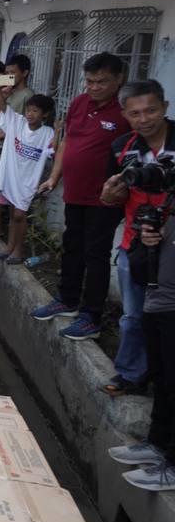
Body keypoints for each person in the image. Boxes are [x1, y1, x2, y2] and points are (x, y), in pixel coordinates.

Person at [30, 53, 130, 340]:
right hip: (75, 192)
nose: (95, 87)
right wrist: (54, 177)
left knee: (95, 254)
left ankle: (91, 316)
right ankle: (67, 299)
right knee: (72, 245)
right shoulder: (78, 103)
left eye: (102, 82)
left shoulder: (125, 110)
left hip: (105, 199)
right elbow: (68, 143)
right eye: (90, 81)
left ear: (119, 79)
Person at [99, 79, 175, 395]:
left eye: (151, 110)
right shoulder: (122, 147)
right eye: (135, 113)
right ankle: (131, 374)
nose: (144, 119)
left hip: (171, 249)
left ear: (165, 108)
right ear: (126, 115)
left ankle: (163, 381)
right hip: (135, 244)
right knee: (133, 317)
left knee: (166, 321)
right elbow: (114, 197)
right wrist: (107, 197)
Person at [109, 211, 175, 491]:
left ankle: (172, 466)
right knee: (162, 380)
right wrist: (150, 240)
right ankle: (157, 444)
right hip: (158, 302)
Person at [0, 80, 56, 265]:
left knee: (19, 215)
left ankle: (18, 250)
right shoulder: (17, 123)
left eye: (35, 111)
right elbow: (2, 106)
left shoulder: (48, 133)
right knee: (11, 212)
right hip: (11, 178)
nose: (30, 114)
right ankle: (8, 248)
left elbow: (54, 151)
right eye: (28, 110)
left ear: (45, 114)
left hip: (28, 181)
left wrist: (62, 130)